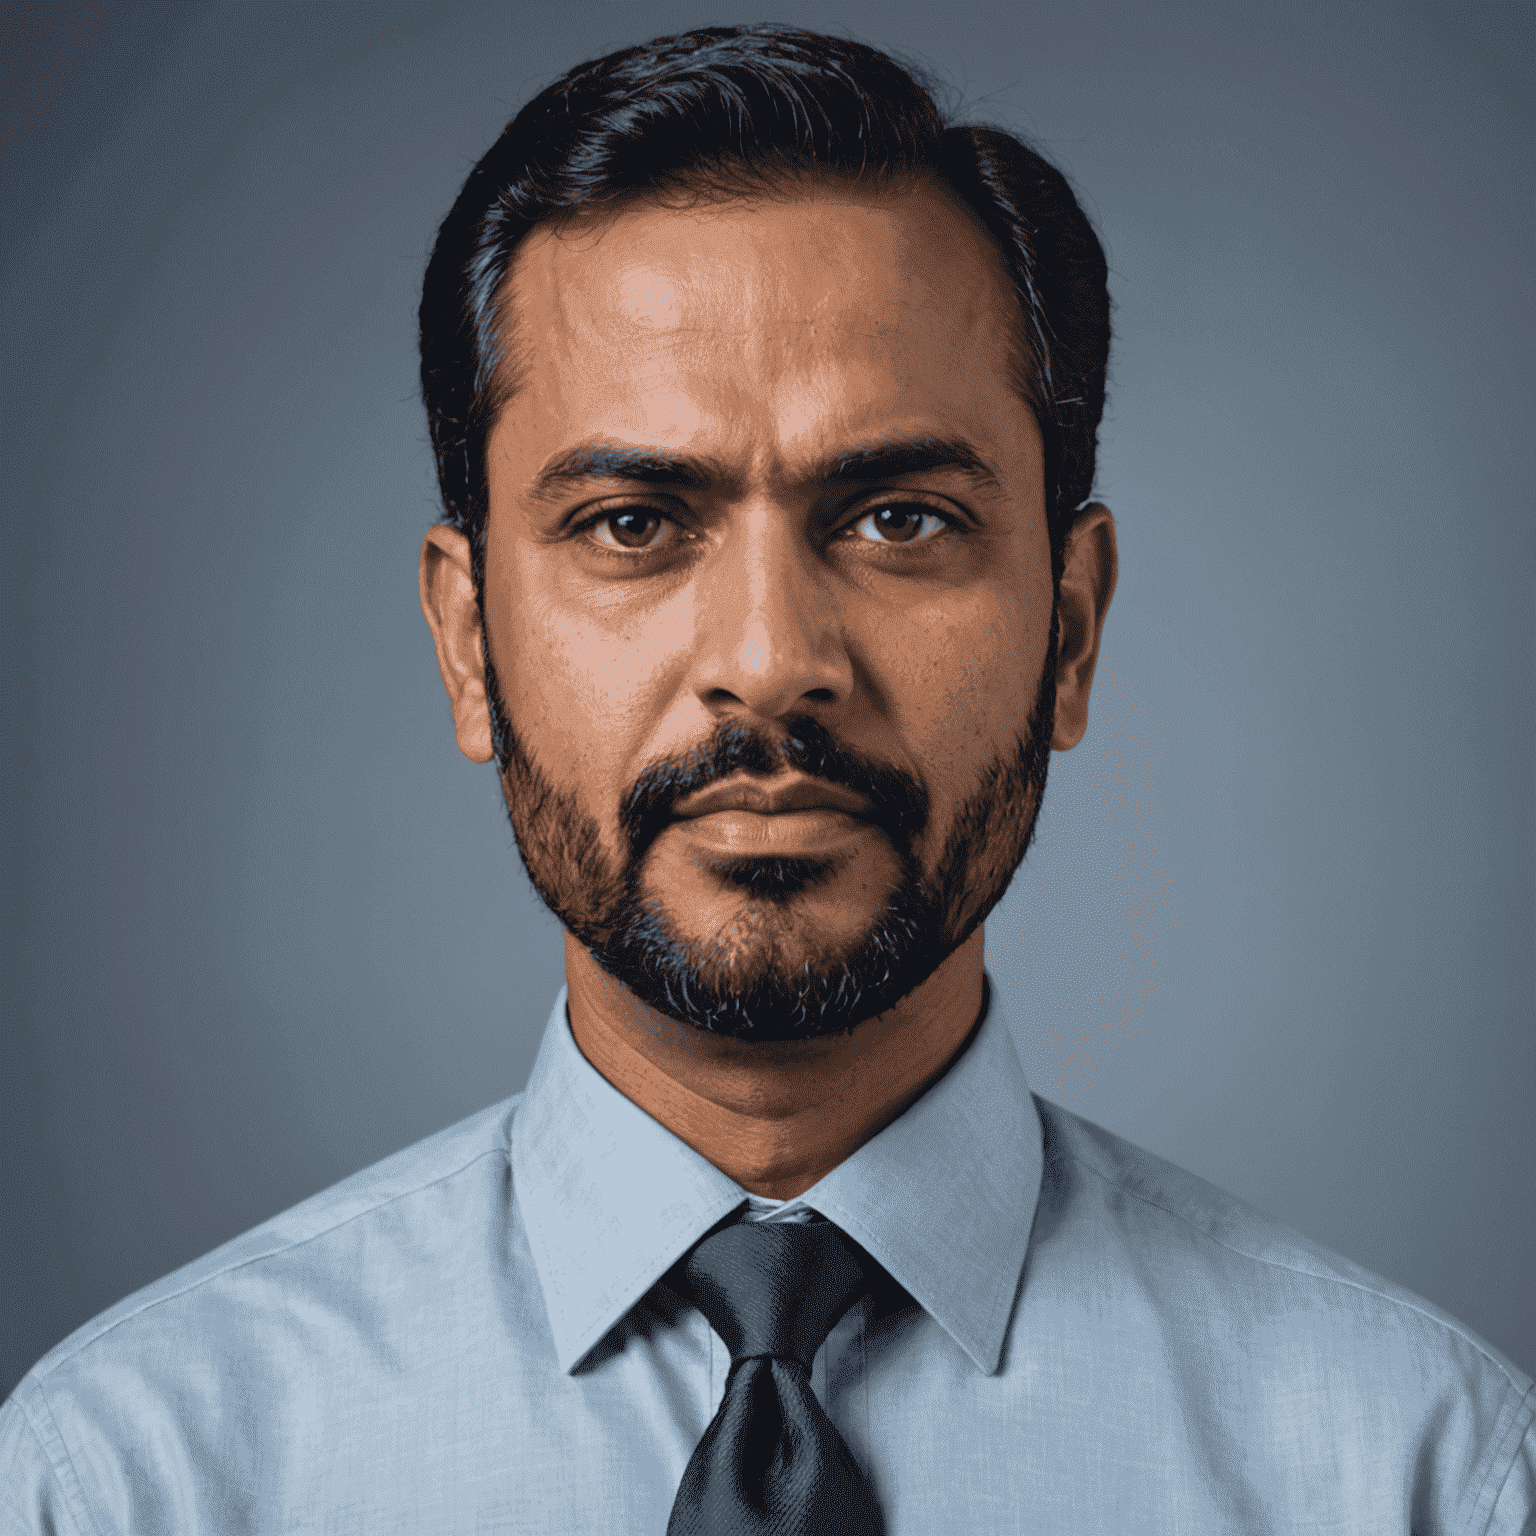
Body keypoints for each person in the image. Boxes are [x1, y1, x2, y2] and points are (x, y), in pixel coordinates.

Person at [1, 23, 1530, 1534]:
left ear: (1069, 629)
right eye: (631, 523)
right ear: (470, 642)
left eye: (899, 520)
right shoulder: (133, 1478)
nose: (771, 657)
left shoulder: (1418, 1473)